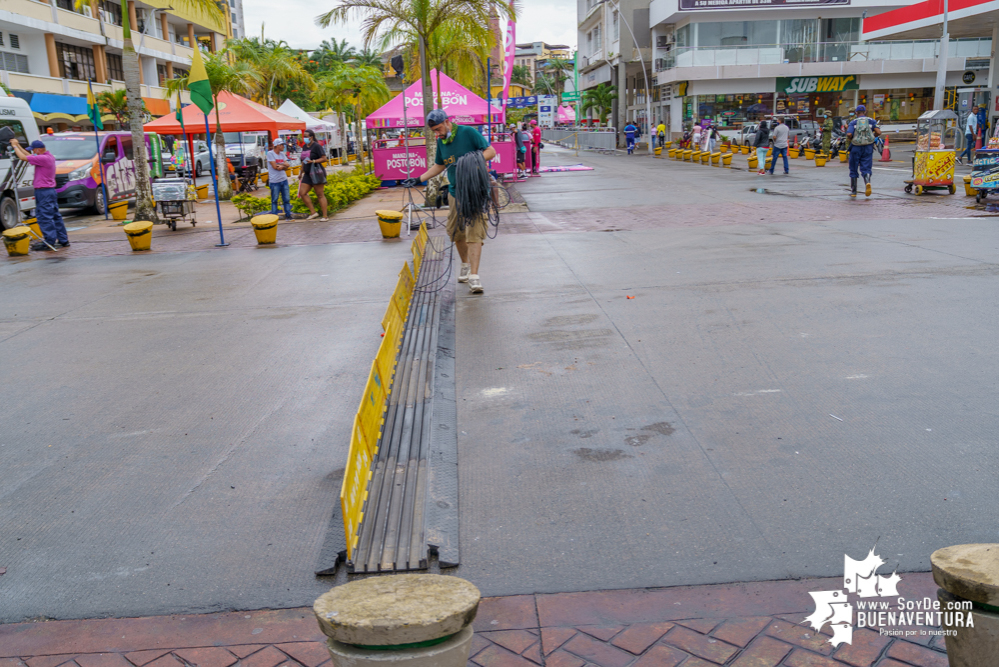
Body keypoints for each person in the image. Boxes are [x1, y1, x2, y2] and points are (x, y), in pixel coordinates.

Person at [408, 109, 496, 294]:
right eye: (434, 131)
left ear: (448, 122)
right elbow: (440, 164)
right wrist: (419, 178)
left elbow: (491, 151)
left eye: (438, 129)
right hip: (455, 193)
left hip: (475, 191)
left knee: (475, 231)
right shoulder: (442, 142)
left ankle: (474, 276)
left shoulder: (467, 132)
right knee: (456, 231)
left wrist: (471, 160)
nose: (437, 133)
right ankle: (465, 264)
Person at [10, 138, 68, 250]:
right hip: (49, 191)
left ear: (38, 150)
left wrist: (14, 146)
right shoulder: (48, 156)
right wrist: (19, 145)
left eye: (34, 150)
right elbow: (29, 156)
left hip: (44, 191)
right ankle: (63, 240)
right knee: (55, 216)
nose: (33, 152)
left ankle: (49, 242)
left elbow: (23, 157)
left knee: (44, 217)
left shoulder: (43, 158)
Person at [846, 104, 880, 197]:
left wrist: (851, 138)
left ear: (856, 113)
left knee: (853, 168)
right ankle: (867, 182)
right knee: (866, 167)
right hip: (868, 147)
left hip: (856, 147)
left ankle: (853, 192)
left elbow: (849, 134)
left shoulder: (853, 122)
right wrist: (873, 137)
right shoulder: (871, 121)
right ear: (865, 112)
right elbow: (878, 132)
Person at [298, 129, 328, 220]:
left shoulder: (317, 146)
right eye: (304, 136)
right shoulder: (305, 147)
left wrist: (313, 161)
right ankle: (313, 212)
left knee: (320, 194)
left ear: (311, 137)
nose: (305, 138)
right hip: (307, 173)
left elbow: (324, 158)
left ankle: (325, 216)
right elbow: (304, 160)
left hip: (316, 173)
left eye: (306, 136)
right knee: (302, 193)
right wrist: (301, 172)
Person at [266, 138, 293, 220]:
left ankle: (288, 215)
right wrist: (282, 165)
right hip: (274, 181)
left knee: (287, 199)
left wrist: (281, 166)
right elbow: (275, 167)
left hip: (283, 179)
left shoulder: (282, 154)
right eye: (282, 145)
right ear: (277, 145)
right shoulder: (270, 154)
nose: (283, 147)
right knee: (274, 200)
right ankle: (274, 217)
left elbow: (287, 165)